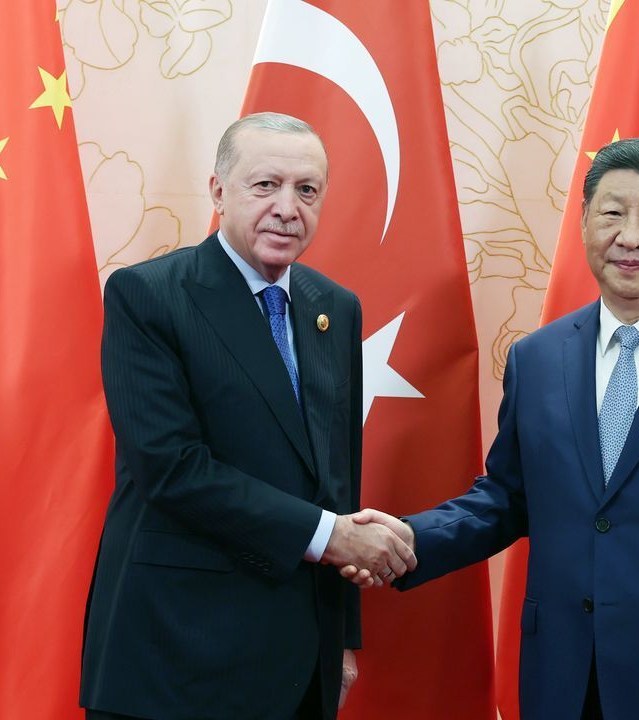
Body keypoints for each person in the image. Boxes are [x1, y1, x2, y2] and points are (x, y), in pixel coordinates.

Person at [348, 136, 639, 720]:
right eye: (612, 213)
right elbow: (507, 498)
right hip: (566, 677)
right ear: (583, 222)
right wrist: (408, 539)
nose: (630, 236)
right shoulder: (537, 357)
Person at [80, 113, 416, 720]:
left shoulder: (334, 308)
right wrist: (331, 537)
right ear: (218, 191)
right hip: (176, 653)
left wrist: (341, 637)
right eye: (266, 185)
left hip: (299, 658)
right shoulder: (149, 295)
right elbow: (171, 469)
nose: (288, 208)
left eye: (307, 190)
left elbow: (336, 480)